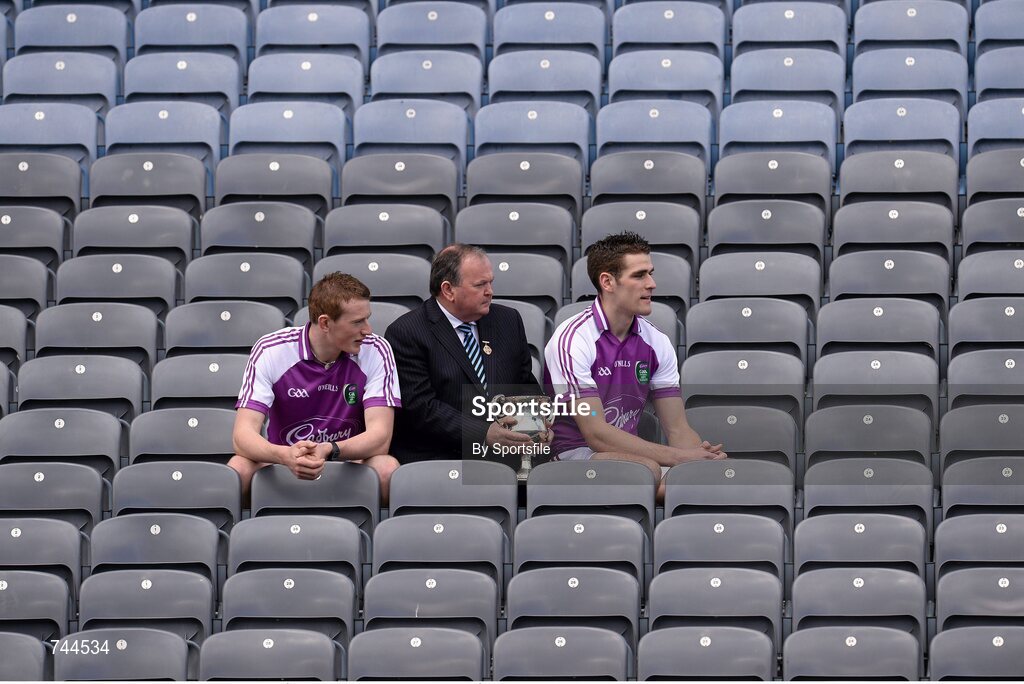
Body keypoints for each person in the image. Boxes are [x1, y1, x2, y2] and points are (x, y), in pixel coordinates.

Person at [544, 231, 726, 484]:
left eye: (650, 273)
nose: (651, 284)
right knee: (648, 470)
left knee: (716, 476)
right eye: (639, 275)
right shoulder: (572, 339)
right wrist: (678, 458)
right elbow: (596, 435)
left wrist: (700, 458)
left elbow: (677, 429)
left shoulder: (656, 341)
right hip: (571, 456)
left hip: (631, 460)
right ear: (607, 282)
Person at [230, 272, 401, 501]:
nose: (368, 330)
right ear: (325, 323)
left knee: (387, 468)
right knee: (238, 468)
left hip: (346, 460)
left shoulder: (376, 349)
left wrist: (329, 449)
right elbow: (242, 435)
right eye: (357, 322)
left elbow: (380, 438)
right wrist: (285, 455)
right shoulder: (271, 350)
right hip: (284, 460)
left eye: (367, 319)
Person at [385, 244, 544, 462]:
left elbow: (524, 384)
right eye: (480, 285)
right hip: (440, 457)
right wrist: (483, 433)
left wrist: (537, 425)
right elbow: (421, 408)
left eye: (490, 282)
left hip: (505, 454)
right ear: (448, 290)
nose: (490, 291)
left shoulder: (508, 321)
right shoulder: (407, 332)